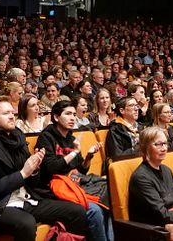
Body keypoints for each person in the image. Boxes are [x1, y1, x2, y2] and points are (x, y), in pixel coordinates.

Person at [0, 98, 89, 241]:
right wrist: (23, 173)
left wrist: (35, 169)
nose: (12, 116)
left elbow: (33, 183)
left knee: (77, 211)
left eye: (12, 112)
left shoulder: (17, 139)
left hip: (26, 198)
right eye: (6, 113)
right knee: (26, 223)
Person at [35, 99, 111, 241]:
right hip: (55, 188)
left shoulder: (72, 138)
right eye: (68, 114)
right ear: (56, 117)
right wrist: (74, 153)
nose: (72, 118)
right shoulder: (46, 138)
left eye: (74, 114)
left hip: (74, 184)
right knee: (94, 210)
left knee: (108, 201)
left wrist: (88, 157)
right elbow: (50, 168)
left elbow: (81, 172)